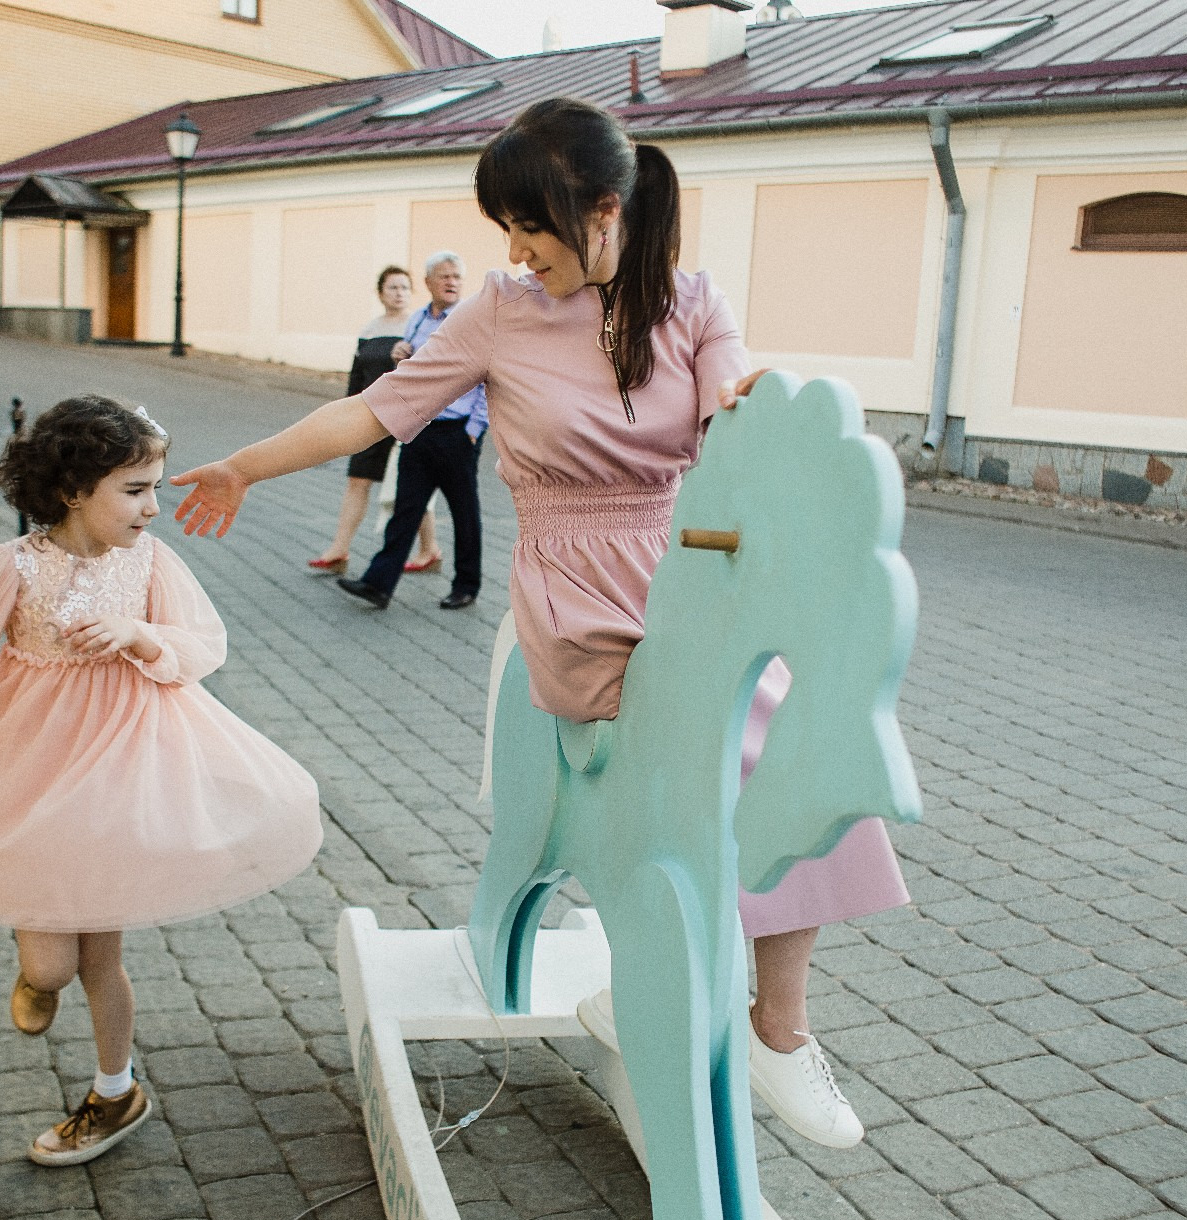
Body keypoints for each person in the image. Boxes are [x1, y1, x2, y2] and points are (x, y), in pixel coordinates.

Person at [171, 98, 908, 1148]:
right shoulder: (500, 310)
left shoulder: (690, 301)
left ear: (604, 212)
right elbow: (375, 410)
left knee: (800, 741)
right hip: (574, 585)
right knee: (705, 750)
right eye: (505, 232)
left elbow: (734, 395)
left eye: (532, 230)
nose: (516, 253)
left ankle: (770, 1024)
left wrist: (774, 417)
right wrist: (244, 463)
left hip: (685, 569)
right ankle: (706, 1003)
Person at [0, 395, 322, 1164]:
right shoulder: (12, 568)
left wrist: (139, 633)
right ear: (73, 490)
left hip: (119, 772)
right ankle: (39, 978)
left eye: (155, 487)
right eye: (135, 490)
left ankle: (115, 1089)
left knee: (100, 954)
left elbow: (202, 645)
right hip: (29, 768)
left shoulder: (152, 562)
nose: (153, 509)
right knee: (50, 963)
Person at [335, 251, 487, 611]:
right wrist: (400, 358)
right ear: (429, 282)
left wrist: (475, 429)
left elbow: (487, 377)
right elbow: (412, 371)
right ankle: (378, 584)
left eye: (457, 277)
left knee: (465, 513)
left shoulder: (470, 320)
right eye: (444, 276)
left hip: (457, 432)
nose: (451, 282)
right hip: (419, 428)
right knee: (405, 510)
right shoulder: (418, 319)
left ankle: (467, 585)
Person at [307, 265, 443, 576]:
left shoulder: (418, 326)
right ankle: (338, 550)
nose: (399, 293)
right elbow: (357, 379)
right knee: (357, 480)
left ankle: (429, 549)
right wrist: (345, 412)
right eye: (393, 288)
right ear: (380, 293)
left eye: (405, 288)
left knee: (410, 487)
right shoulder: (369, 329)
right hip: (369, 417)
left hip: (405, 418)